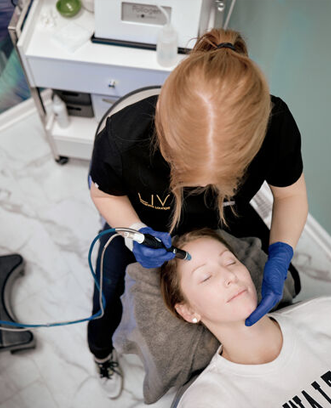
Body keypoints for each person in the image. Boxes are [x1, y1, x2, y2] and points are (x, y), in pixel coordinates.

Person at [88, 28, 308, 398]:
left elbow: (291, 196)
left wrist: (281, 257)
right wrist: (133, 230)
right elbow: (103, 193)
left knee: (285, 278)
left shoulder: (275, 123)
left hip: (226, 218)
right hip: (144, 223)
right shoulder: (123, 134)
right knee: (107, 295)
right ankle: (100, 352)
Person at [160, 228, 331, 408]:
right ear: (188, 311)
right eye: (206, 277)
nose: (230, 276)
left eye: (230, 262)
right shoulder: (209, 401)